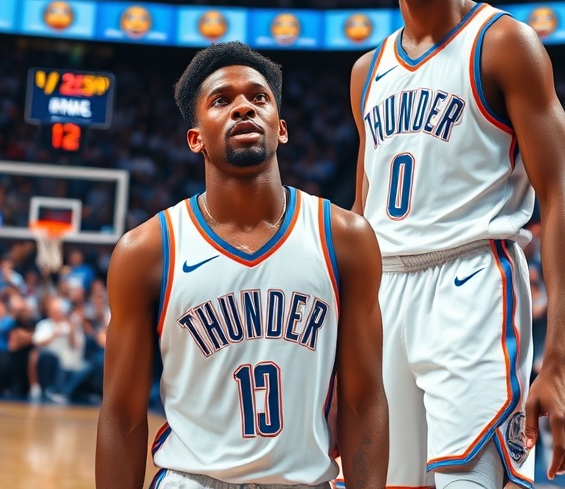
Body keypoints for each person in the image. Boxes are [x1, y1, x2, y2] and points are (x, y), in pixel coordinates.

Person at [349, 0, 565, 488]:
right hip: (384, 293)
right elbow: (363, 211)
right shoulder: (366, 72)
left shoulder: (504, 43)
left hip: (471, 284)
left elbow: (561, 194)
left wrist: (561, 357)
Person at [97, 43, 388, 489]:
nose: (243, 108)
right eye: (221, 100)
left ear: (281, 128)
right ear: (195, 138)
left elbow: (363, 399)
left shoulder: (345, 238)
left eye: (259, 97)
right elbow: (122, 415)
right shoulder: (147, 251)